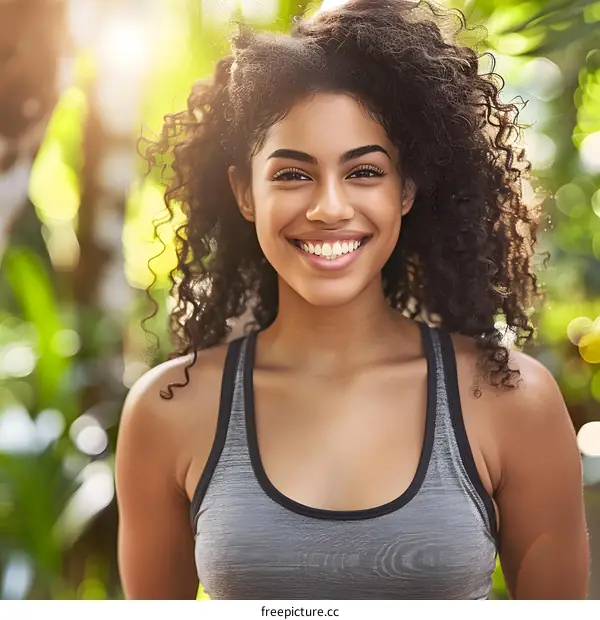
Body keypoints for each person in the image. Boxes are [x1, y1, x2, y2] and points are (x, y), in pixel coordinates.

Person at [115, 0, 590, 600]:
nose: (329, 207)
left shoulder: (510, 400)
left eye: (364, 172)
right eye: (292, 174)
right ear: (244, 193)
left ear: (406, 190)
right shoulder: (168, 410)